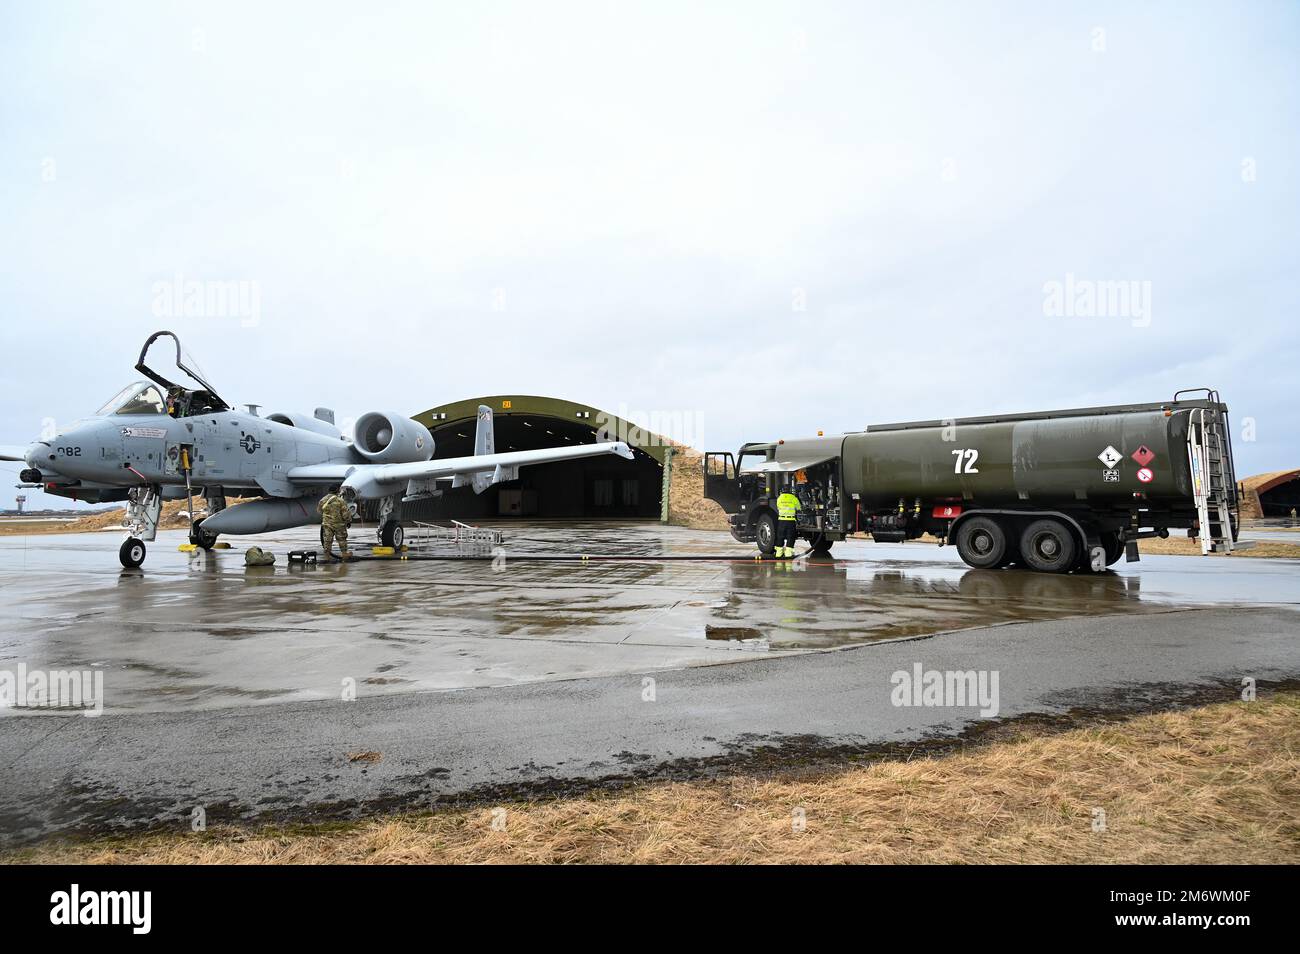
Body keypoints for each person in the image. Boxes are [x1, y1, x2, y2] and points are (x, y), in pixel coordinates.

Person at [318, 485, 356, 561]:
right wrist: (348, 521)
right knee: (342, 540)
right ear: (337, 491)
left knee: (327, 540)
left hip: (327, 524)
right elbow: (345, 514)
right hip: (339, 524)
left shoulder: (323, 500)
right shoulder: (340, 501)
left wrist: (327, 517)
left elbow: (319, 511)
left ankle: (327, 556)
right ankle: (344, 554)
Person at [773, 481, 801, 559]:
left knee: (780, 536)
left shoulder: (779, 498)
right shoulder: (793, 498)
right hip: (791, 521)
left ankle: (778, 553)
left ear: (782, 490)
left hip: (781, 520)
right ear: (790, 490)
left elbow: (778, 507)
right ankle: (788, 553)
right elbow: (799, 507)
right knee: (790, 536)